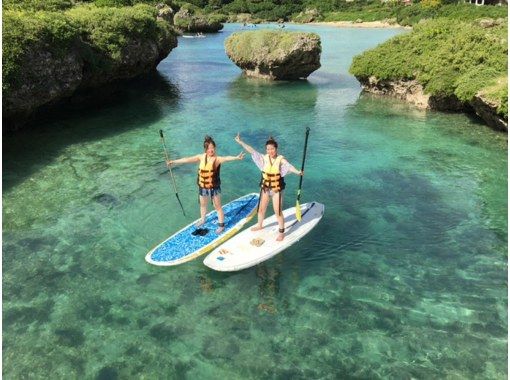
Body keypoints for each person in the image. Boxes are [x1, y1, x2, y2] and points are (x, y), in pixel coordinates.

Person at [167, 136, 245, 234]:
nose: (211, 150)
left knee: (217, 207)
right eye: (208, 148)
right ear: (205, 149)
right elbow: (187, 159)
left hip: (213, 187)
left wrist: (236, 158)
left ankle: (221, 225)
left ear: (215, 148)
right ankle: (203, 220)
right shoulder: (201, 157)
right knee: (203, 205)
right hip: (203, 187)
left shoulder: (217, 159)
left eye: (212, 147)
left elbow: (226, 158)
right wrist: (174, 162)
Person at [234, 133, 303, 241]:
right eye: (268, 149)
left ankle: (281, 232)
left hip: (276, 190)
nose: (270, 151)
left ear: (276, 148)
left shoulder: (280, 159)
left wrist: (298, 172)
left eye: (272, 149)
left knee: (278, 212)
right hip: (265, 188)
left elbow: (289, 166)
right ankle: (260, 225)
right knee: (260, 209)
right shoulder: (263, 158)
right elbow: (251, 150)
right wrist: (241, 142)